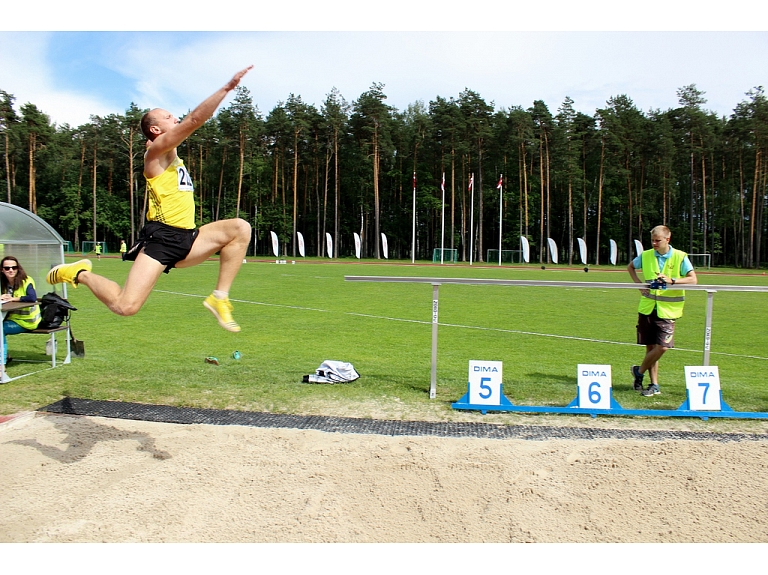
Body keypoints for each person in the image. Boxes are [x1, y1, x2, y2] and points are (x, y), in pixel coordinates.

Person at [46, 65, 254, 333]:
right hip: (162, 240)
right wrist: (227, 88)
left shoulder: (171, 156)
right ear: (155, 130)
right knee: (126, 307)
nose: (176, 117)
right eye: (169, 117)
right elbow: (194, 121)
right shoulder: (155, 153)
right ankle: (79, 274)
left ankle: (220, 297)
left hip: (189, 239)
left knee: (240, 228)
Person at [627, 225, 697, 396]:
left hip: (668, 310)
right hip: (647, 307)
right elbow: (630, 267)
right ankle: (654, 384)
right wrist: (638, 284)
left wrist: (672, 280)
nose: (654, 243)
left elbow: (693, 280)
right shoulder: (646, 255)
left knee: (663, 347)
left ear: (668, 239)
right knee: (650, 348)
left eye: (657, 240)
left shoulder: (681, 257)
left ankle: (639, 371)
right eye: (652, 240)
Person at [1, 256, 41, 366]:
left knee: (0, 330)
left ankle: (1, 366)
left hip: (27, 321)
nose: (11, 270)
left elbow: (32, 297)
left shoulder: (26, 280)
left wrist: (13, 298)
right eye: (7, 268)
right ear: (2, 269)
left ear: (18, 268)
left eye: (14, 267)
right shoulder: (2, 281)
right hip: (10, 318)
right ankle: (5, 356)